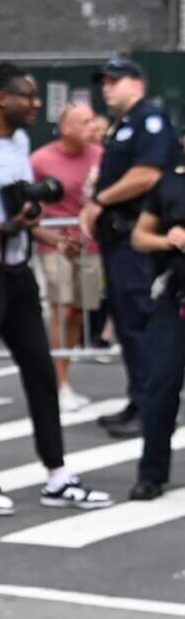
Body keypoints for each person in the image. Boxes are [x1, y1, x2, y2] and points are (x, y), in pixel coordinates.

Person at [0, 63, 109, 518]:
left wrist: (46, 235)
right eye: (27, 96)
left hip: (17, 268)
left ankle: (56, 475)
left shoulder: (19, 142)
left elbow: (19, 210)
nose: (35, 103)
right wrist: (0, 226)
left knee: (41, 373)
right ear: (1, 100)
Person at [82, 59, 173, 438]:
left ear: (136, 84)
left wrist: (100, 199)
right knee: (128, 325)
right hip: (117, 239)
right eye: (103, 82)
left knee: (140, 324)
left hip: (136, 239)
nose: (106, 88)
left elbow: (147, 173)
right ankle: (139, 399)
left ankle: (153, 407)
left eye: (114, 81)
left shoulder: (149, 120)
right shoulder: (124, 125)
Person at [28, 99, 101, 415]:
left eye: (92, 120)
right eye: (84, 122)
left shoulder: (101, 157)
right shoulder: (40, 159)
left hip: (91, 246)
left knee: (77, 314)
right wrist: (52, 235)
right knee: (62, 307)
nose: (92, 127)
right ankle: (56, 385)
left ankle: (64, 377)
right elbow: (29, 203)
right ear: (65, 127)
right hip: (55, 244)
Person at [129, 148, 185, 501]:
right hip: (174, 299)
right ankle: (151, 474)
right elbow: (139, 236)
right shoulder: (169, 183)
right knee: (161, 388)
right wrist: (168, 239)